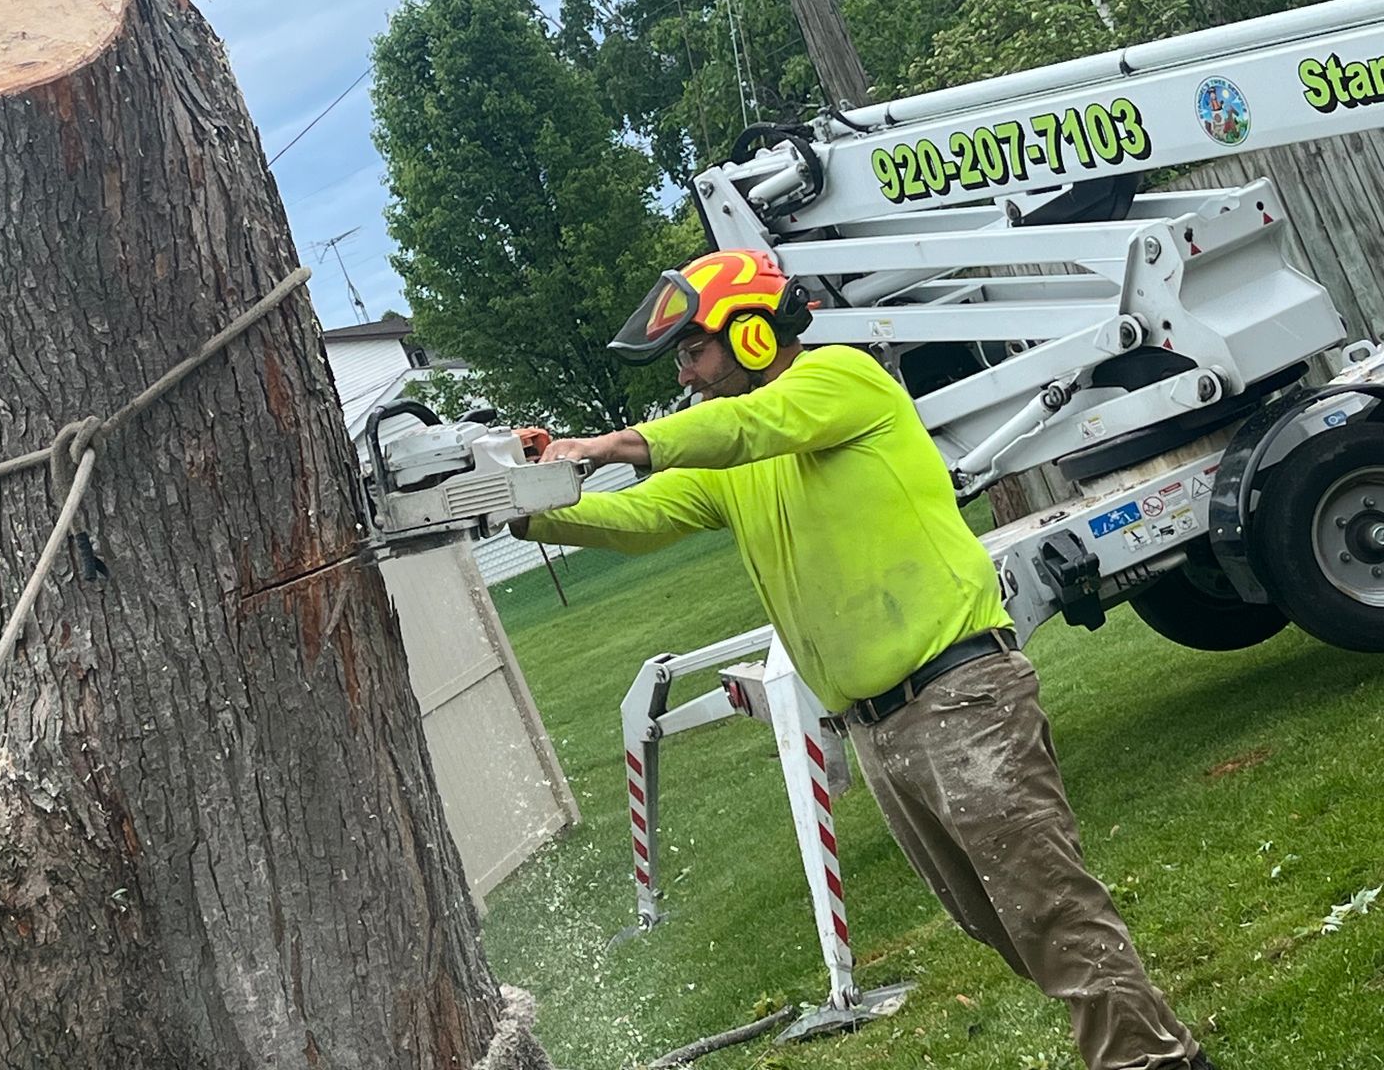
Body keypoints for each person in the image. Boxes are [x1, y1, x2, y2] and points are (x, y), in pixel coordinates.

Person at [514, 248, 1213, 1070]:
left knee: (1048, 907)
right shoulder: (739, 459)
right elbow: (646, 516)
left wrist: (603, 444)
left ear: (748, 333)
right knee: (996, 919)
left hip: (958, 692)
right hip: (880, 726)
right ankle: (1151, 1046)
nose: (688, 376)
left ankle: (1153, 1062)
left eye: (693, 351)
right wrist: (528, 508)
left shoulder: (842, 379)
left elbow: (741, 427)